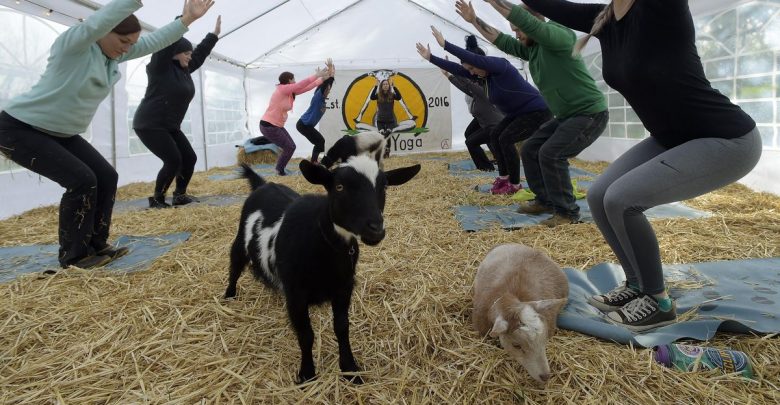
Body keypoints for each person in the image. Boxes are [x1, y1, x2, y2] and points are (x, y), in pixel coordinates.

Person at [520, 0, 761, 331]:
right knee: (599, 195)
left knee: (622, 199)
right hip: (672, 137)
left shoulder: (661, 8)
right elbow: (546, 7)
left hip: (727, 139)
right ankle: (637, 286)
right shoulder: (603, 18)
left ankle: (658, 301)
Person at [0, 0, 213, 270]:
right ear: (104, 30)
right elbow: (98, 21)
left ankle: (97, 244)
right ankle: (74, 257)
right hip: (19, 128)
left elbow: (153, 42)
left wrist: (185, 21)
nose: (127, 48)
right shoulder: (75, 45)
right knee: (82, 180)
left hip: (61, 132)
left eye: (130, 43)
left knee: (106, 176)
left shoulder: (113, 56)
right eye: (123, 40)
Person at [457, 0, 608, 226]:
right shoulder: (534, 48)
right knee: (530, 149)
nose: (516, 34)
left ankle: (567, 212)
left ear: (534, 20)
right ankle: (545, 200)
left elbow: (528, 23)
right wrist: (474, 21)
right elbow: (502, 41)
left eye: (517, 28)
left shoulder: (559, 37)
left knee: (551, 153)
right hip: (567, 116)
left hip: (589, 114)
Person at [416, 26, 551, 194]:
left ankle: (515, 185)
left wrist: (446, 45)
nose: (471, 72)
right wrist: (430, 58)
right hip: (517, 114)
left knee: (506, 139)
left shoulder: (500, 66)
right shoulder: (482, 76)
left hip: (537, 111)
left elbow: (471, 59)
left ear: (480, 62)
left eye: (472, 68)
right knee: (495, 136)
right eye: (469, 70)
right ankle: (504, 178)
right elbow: (458, 70)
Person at [133, 16, 221, 208]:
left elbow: (199, 54)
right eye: (186, 53)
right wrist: (181, 22)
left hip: (170, 126)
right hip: (150, 124)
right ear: (175, 52)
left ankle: (180, 195)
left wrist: (213, 36)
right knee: (173, 159)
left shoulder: (184, 70)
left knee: (189, 158)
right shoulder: (159, 68)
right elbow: (165, 47)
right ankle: (157, 199)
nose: (190, 57)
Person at [259, 59, 334, 175]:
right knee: (289, 147)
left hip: (276, 125)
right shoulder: (282, 89)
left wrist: (323, 78)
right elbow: (300, 84)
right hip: (268, 125)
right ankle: (279, 170)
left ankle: (280, 168)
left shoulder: (290, 92)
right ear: (289, 80)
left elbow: (308, 87)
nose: (295, 81)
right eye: (293, 79)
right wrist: (316, 75)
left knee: (291, 146)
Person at [441, 39, 503, 172]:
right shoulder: (477, 82)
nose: (470, 72)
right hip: (484, 120)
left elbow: (467, 84)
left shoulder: (483, 83)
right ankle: (492, 162)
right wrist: (449, 75)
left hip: (493, 123)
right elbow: (465, 87)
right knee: (470, 134)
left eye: (470, 68)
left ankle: (487, 168)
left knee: (473, 141)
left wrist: (452, 68)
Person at [295, 77, 334, 164]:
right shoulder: (318, 96)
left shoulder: (322, 99)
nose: (329, 91)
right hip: (303, 125)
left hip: (306, 126)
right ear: (322, 90)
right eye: (328, 89)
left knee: (320, 143)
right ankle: (314, 161)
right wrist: (330, 76)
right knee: (320, 142)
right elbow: (324, 85)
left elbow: (327, 86)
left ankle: (314, 161)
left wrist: (331, 78)